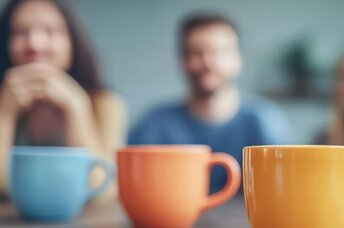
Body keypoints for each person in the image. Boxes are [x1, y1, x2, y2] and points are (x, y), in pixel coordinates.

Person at [129, 13, 290, 193]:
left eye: (219, 52)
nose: (207, 62)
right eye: (196, 52)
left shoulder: (264, 121)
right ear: (183, 61)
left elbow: (283, 188)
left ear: (238, 60)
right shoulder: (154, 124)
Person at [0, 0, 125, 195]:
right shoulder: (3, 102)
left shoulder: (105, 103)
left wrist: (76, 106)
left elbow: (102, 189)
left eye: (50, 31)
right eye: (19, 33)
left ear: (72, 42)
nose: (35, 43)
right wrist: (5, 113)